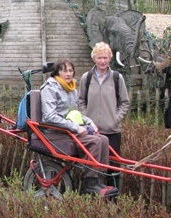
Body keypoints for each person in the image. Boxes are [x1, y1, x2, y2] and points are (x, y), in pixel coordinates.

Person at [40, 59, 118, 198]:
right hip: (55, 132)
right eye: (64, 70)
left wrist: (89, 122)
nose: (68, 74)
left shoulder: (71, 89)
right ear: (57, 72)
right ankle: (90, 183)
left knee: (104, 139)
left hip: (69, 129)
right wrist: (75, 127)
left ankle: (99, 180)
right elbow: (49, 116)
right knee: (95, 142)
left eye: (70, 70)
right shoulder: (50, 88)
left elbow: (76, 113)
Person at [78, 42, 130, 187]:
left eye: (105, 58)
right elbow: (81, 101)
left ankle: (113, 196)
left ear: (110, 59)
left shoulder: (116, 78)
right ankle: (94, 195)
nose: (102, 61)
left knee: (113, 166)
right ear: (94, 58)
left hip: (112, 131)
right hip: (93, 132)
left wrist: (115, 119)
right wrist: (86, 118)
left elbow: (124, 102)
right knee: (94, 165)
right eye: (99, 58)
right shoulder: (86, 78)